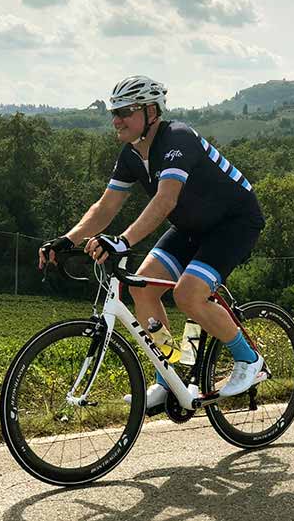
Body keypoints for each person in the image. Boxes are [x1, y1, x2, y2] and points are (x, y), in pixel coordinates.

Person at [39, 75, 266, 412]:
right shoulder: (131, 154)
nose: (116, 119)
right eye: (114, 112)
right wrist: (67, 240)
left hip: (233, 223)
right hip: (191, 227)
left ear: (151, 112)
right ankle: (168, 377)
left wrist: (122, 241)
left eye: (126, 112)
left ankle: (249, 360)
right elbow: (105, 206)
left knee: (187, 294)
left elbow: (165, 201)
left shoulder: (177, 138)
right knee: (142, 289)